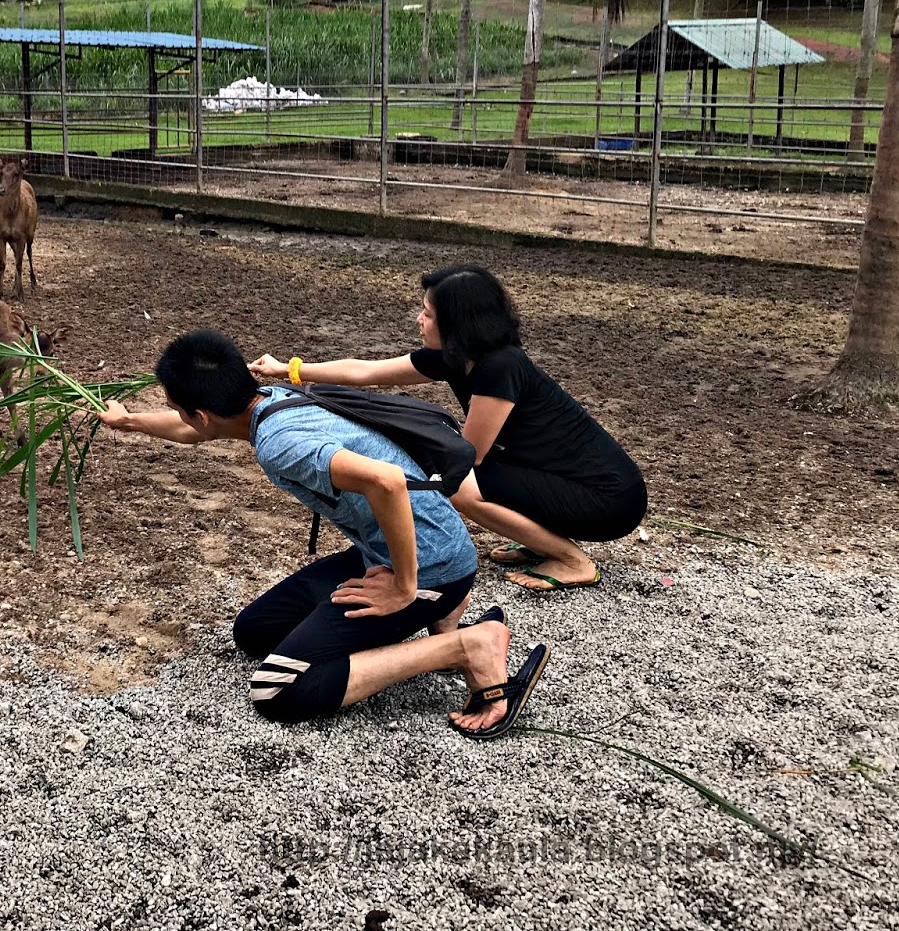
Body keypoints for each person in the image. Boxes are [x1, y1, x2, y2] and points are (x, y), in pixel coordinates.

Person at [99, 329, 550, 736]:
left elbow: (386, 480)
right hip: (396, 547)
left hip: (427, 566)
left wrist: (403, 585)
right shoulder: (270, 397)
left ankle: (466, 644)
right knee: (255, 633)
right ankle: (440, 610)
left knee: (278, 689)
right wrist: (130, 421)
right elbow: (190, 428)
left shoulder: (281, 444)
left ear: (202, 413)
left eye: (181, 409)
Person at [251, 264, 647, 592]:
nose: (419, 319)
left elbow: (469, 455)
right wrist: (289, 370)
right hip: (563, 479)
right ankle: (540, 541)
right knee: (464, 477)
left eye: (427, 312)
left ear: (457, 322)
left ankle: (571, 560)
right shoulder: (457, 357)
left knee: (457, 486)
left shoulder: (500, 367)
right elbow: (366, 370)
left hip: (609, 501)